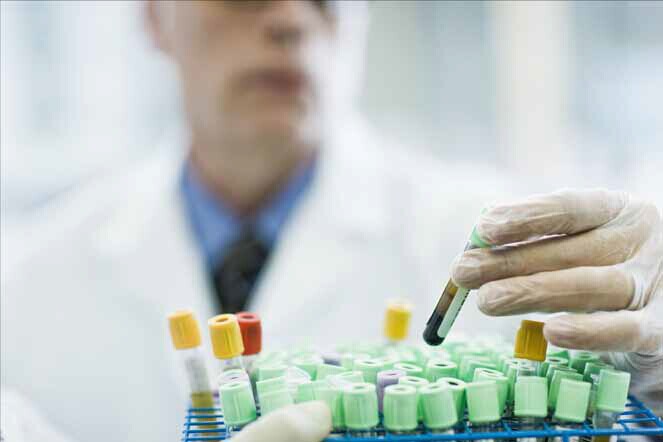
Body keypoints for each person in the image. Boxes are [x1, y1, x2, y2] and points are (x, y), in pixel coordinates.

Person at [1, 1, 661, 442]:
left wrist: (655, 376)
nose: (291, 18)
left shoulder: (508, 245)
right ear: (154, 16)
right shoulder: (27, 284)